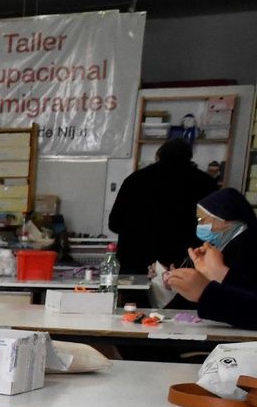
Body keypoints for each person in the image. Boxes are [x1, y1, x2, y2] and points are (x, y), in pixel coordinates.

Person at [108, 140, 219, 275]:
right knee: (183, 295)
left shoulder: (135, 180)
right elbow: (214, 228)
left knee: (133, 294)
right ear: (189, 157)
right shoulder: (206, 183)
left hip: (136, 262)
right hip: (184, 264)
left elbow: (114, 223)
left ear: (159, 155)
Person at [164, 187, 257, 328]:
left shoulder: (246, 245)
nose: (199, 225)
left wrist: (207, 286)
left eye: (202, 220)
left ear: (224, 217)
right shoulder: (230, 244)